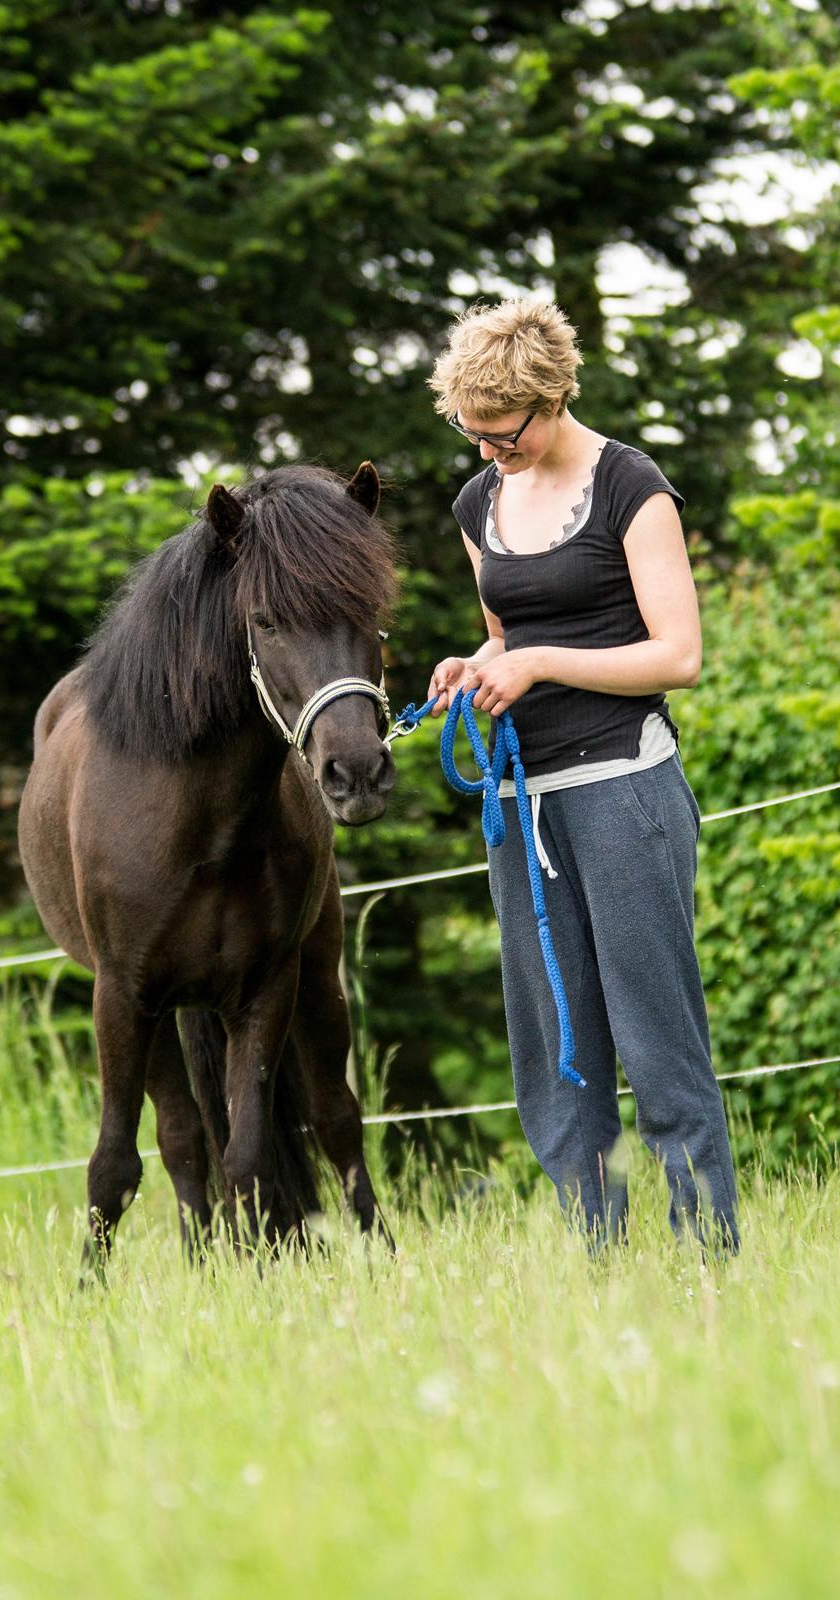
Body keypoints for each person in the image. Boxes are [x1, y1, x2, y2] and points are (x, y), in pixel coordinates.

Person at [426, 297, 740, 1257]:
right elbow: (505, 635)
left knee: (655, 1037)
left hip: (623, 790)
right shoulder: (478, 503)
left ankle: (704, 1261)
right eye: (470, 435)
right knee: (553, 1050)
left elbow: (676, 655)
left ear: (548, 398)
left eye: (499, 433)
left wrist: (539, 662)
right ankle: (596, 1260)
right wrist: (475, 665)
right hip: (525, 809)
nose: (486, 453)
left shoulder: (630, 487)